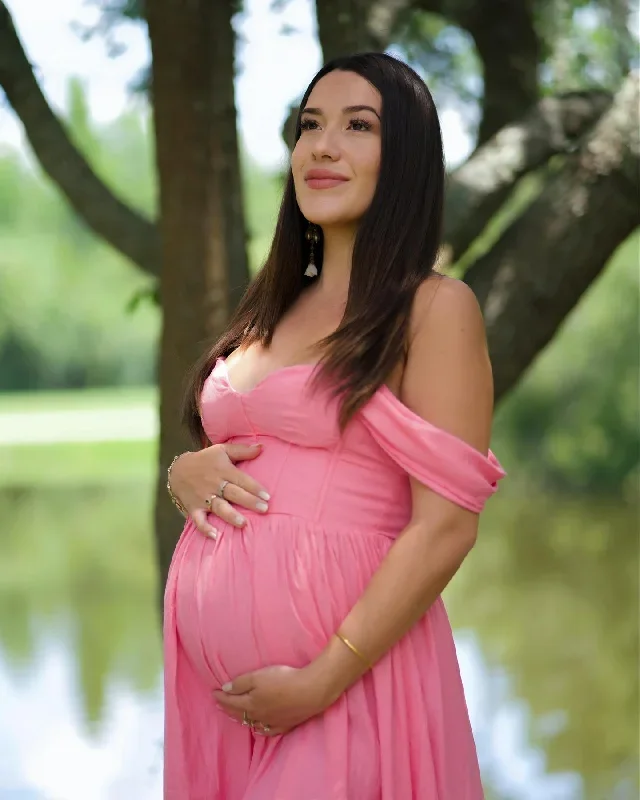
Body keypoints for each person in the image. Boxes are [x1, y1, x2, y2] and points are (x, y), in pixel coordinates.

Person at [164, 52, 505, 799]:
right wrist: (184, 472)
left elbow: (446, 527)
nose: (322, 146)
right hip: (227, 710)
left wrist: (322, 679)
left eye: (359, 126)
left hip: (346, 690)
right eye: (309, 125)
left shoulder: (433, 308)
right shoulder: (272, 305)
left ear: (407, 158)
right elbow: (254, 446)